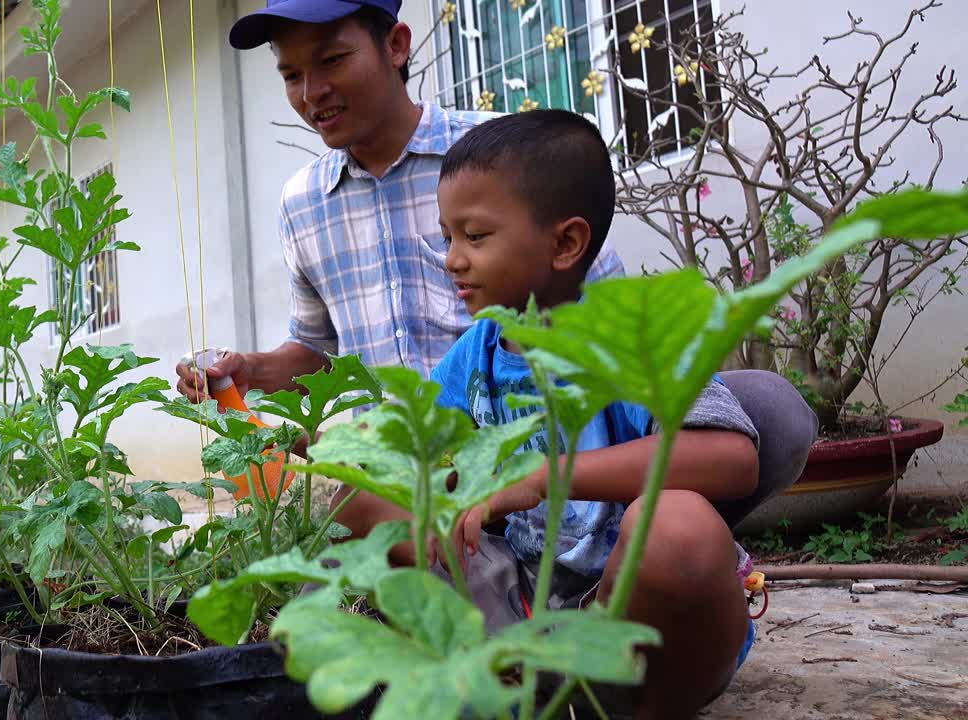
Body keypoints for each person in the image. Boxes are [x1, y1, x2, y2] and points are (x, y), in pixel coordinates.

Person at [175, 0, 815, 543]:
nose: (311, 93)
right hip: (422, 461)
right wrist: (250, 371)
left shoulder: (496, 159)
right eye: (291, 74)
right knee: (334, 493)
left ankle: (637, 561)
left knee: (763, 414)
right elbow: (318, 352)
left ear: (396, 45)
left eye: (332, 60)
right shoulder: (302, 205)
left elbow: (597, 305)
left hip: (546, 439)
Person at [429, 109, 756, 718]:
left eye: (474, 236)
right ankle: (516, 683)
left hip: (644, 631)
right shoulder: (470, 358)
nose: (453, 258)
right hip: (526, 614)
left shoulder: (638, 345)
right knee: (380, 498)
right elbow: (429, 458)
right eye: (447, 236)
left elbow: (731, 457)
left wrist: (538, 478)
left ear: (565, 243)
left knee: (676, 525)